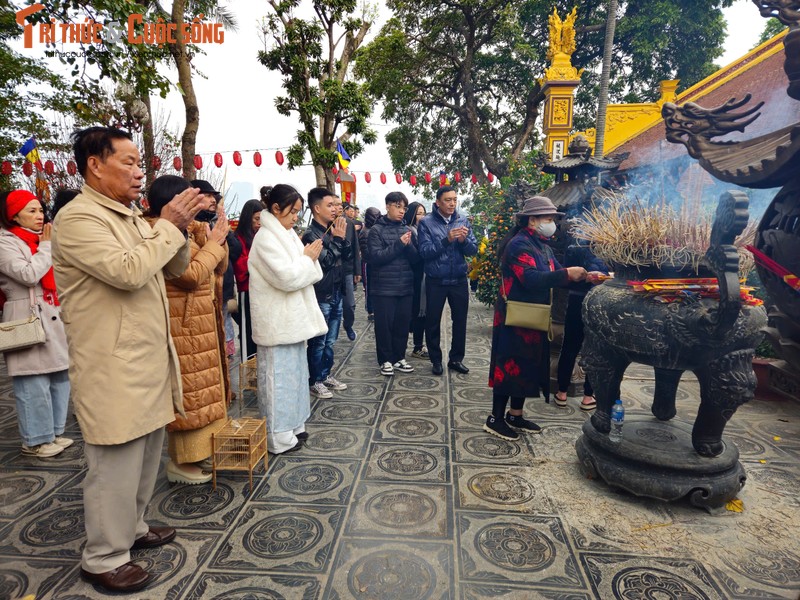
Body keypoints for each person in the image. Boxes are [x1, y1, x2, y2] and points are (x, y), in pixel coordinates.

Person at [52, 126, 203, 593]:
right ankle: (102, 556)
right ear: (94, 165)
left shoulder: (131, 216)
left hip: (148, 357)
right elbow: (129, 270)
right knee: (114, 463)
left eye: (141, 164)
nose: (141, 173)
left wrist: (175, 226)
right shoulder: (79, 219)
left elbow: (176, 267)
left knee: (144, 457)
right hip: (112, 362)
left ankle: (132, 529)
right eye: (130, 163)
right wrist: (166, 226)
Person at [146, 176, 231, 485]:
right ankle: (181, 462)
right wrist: (213, 244)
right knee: (189, 395)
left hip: (201, 319)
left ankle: (200, 453)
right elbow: (191, 275)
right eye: (191, 199)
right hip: (181, 323)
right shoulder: (160, 232)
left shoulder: (193, 229)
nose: (200, 204)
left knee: (206, 389)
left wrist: (215, 240)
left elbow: (218, 269)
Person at [484, 196, 586, 441]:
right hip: (514, 317)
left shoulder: (543, 247)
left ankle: (515, 414)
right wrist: (567, 274)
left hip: (535, 316)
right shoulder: (519, 245)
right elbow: (530, 279)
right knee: (508, 367)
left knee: (527, 366)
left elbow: (555, 274)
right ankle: (495, 419)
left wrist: (586, 276)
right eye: (548, 219)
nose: (552, 224)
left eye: (553, 219)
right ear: (532, 221)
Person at [249, 184, 326, 453]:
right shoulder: (266, 239)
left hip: (292, 319)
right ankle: (276, 437)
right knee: (277, 381)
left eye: (298, 212)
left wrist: (308, 259)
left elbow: (304, 271)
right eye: (292, 211)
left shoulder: (287, 233)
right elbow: (287, 277)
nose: (296, 217)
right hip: (276, 320)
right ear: (275, 209)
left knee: (294, 376)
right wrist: (307, 259)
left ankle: (294, 426)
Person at [0, 190, 71, 458]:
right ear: (13, 215)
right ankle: (34, 440)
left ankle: (53, 432)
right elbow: (28, 275)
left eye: (40, 210)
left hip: (52, 311)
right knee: (32, 381)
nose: (39, 216)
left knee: (59, 375)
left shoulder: (40, 241)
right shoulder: (5, 242)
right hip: (25, 315)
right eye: (31, 211)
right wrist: (47, 247)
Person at [417, 185, 478, 375]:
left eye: (454, 199)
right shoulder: (426, 223)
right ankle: (436, 360)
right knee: (432, 321)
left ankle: (456, 359)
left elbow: (473, 250)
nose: (452, 203)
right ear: (438, 203)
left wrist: (464, 241)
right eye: (447, 200)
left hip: (459, 279)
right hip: (436, 280)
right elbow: (425, 252)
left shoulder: (463, 220)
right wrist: (447, 240)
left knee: (460, 321)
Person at [301, 187, 351, 399]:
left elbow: (345, 256)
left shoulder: (333, 229)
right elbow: (327, 262)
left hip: (336, 292)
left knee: (330, 340)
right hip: (321, 294)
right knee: (318, 341)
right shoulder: (311, 235)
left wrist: (341, 238)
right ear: (316, 208)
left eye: (335, 205)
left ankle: (325, 374)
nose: (335, 209)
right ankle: (314, 380)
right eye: (329, 205)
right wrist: (337, 240)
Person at [367, 192, 419, 375]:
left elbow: (415, 260)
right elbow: (376, 258)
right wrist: (399, 245)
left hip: (405, 286)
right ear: (387, 206)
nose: (401, 211)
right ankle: (385, 360)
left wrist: (409, 244)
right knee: (384, 327)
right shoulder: (376, 230)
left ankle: (399, 358)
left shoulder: (408, 229)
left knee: (402, 326)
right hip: (383, 289)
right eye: (397, 206)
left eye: (404, 208)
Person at [555, 241, 608, 411]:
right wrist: (599, 277)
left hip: (577, 299)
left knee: (569, 346)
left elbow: (564, 277)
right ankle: (587, 396)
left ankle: (561, 393)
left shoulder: (573, 247)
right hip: (597, 300)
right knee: (594, 349)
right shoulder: (608, 247)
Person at [232, 199, 262, 361]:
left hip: (261, 291)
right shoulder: (239, 238)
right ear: (247, 218)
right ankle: (248, 372)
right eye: (256, 219)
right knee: (247, 332)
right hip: (246, 291)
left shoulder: (262, 237)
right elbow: (241, 267)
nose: (259, 223)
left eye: (261, 219)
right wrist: (257, 259)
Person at [403, 201, 428, 358]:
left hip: (423, 277)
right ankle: (409, 346)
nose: (422, 216)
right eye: (419, 213)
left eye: (424, 213)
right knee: (412, 312)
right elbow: (415, 257)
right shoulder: (408, 232)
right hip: (411, 278)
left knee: (421, 313)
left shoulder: (424, 231)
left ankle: (418, 346)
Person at [340, 200, 362, 341]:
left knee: (349, 304)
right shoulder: (323, 226)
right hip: (329, 272)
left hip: (347, 270)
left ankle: (348, 325)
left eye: (337, 205)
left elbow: (355, 248)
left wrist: (357, 271)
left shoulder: (349, 224)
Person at [359, 206, 381, 321]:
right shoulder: (365, 232)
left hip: (375, 262)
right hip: (368, 263)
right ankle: (370, 310)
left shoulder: (374, 230)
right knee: (368, 287)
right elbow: (366, 251)